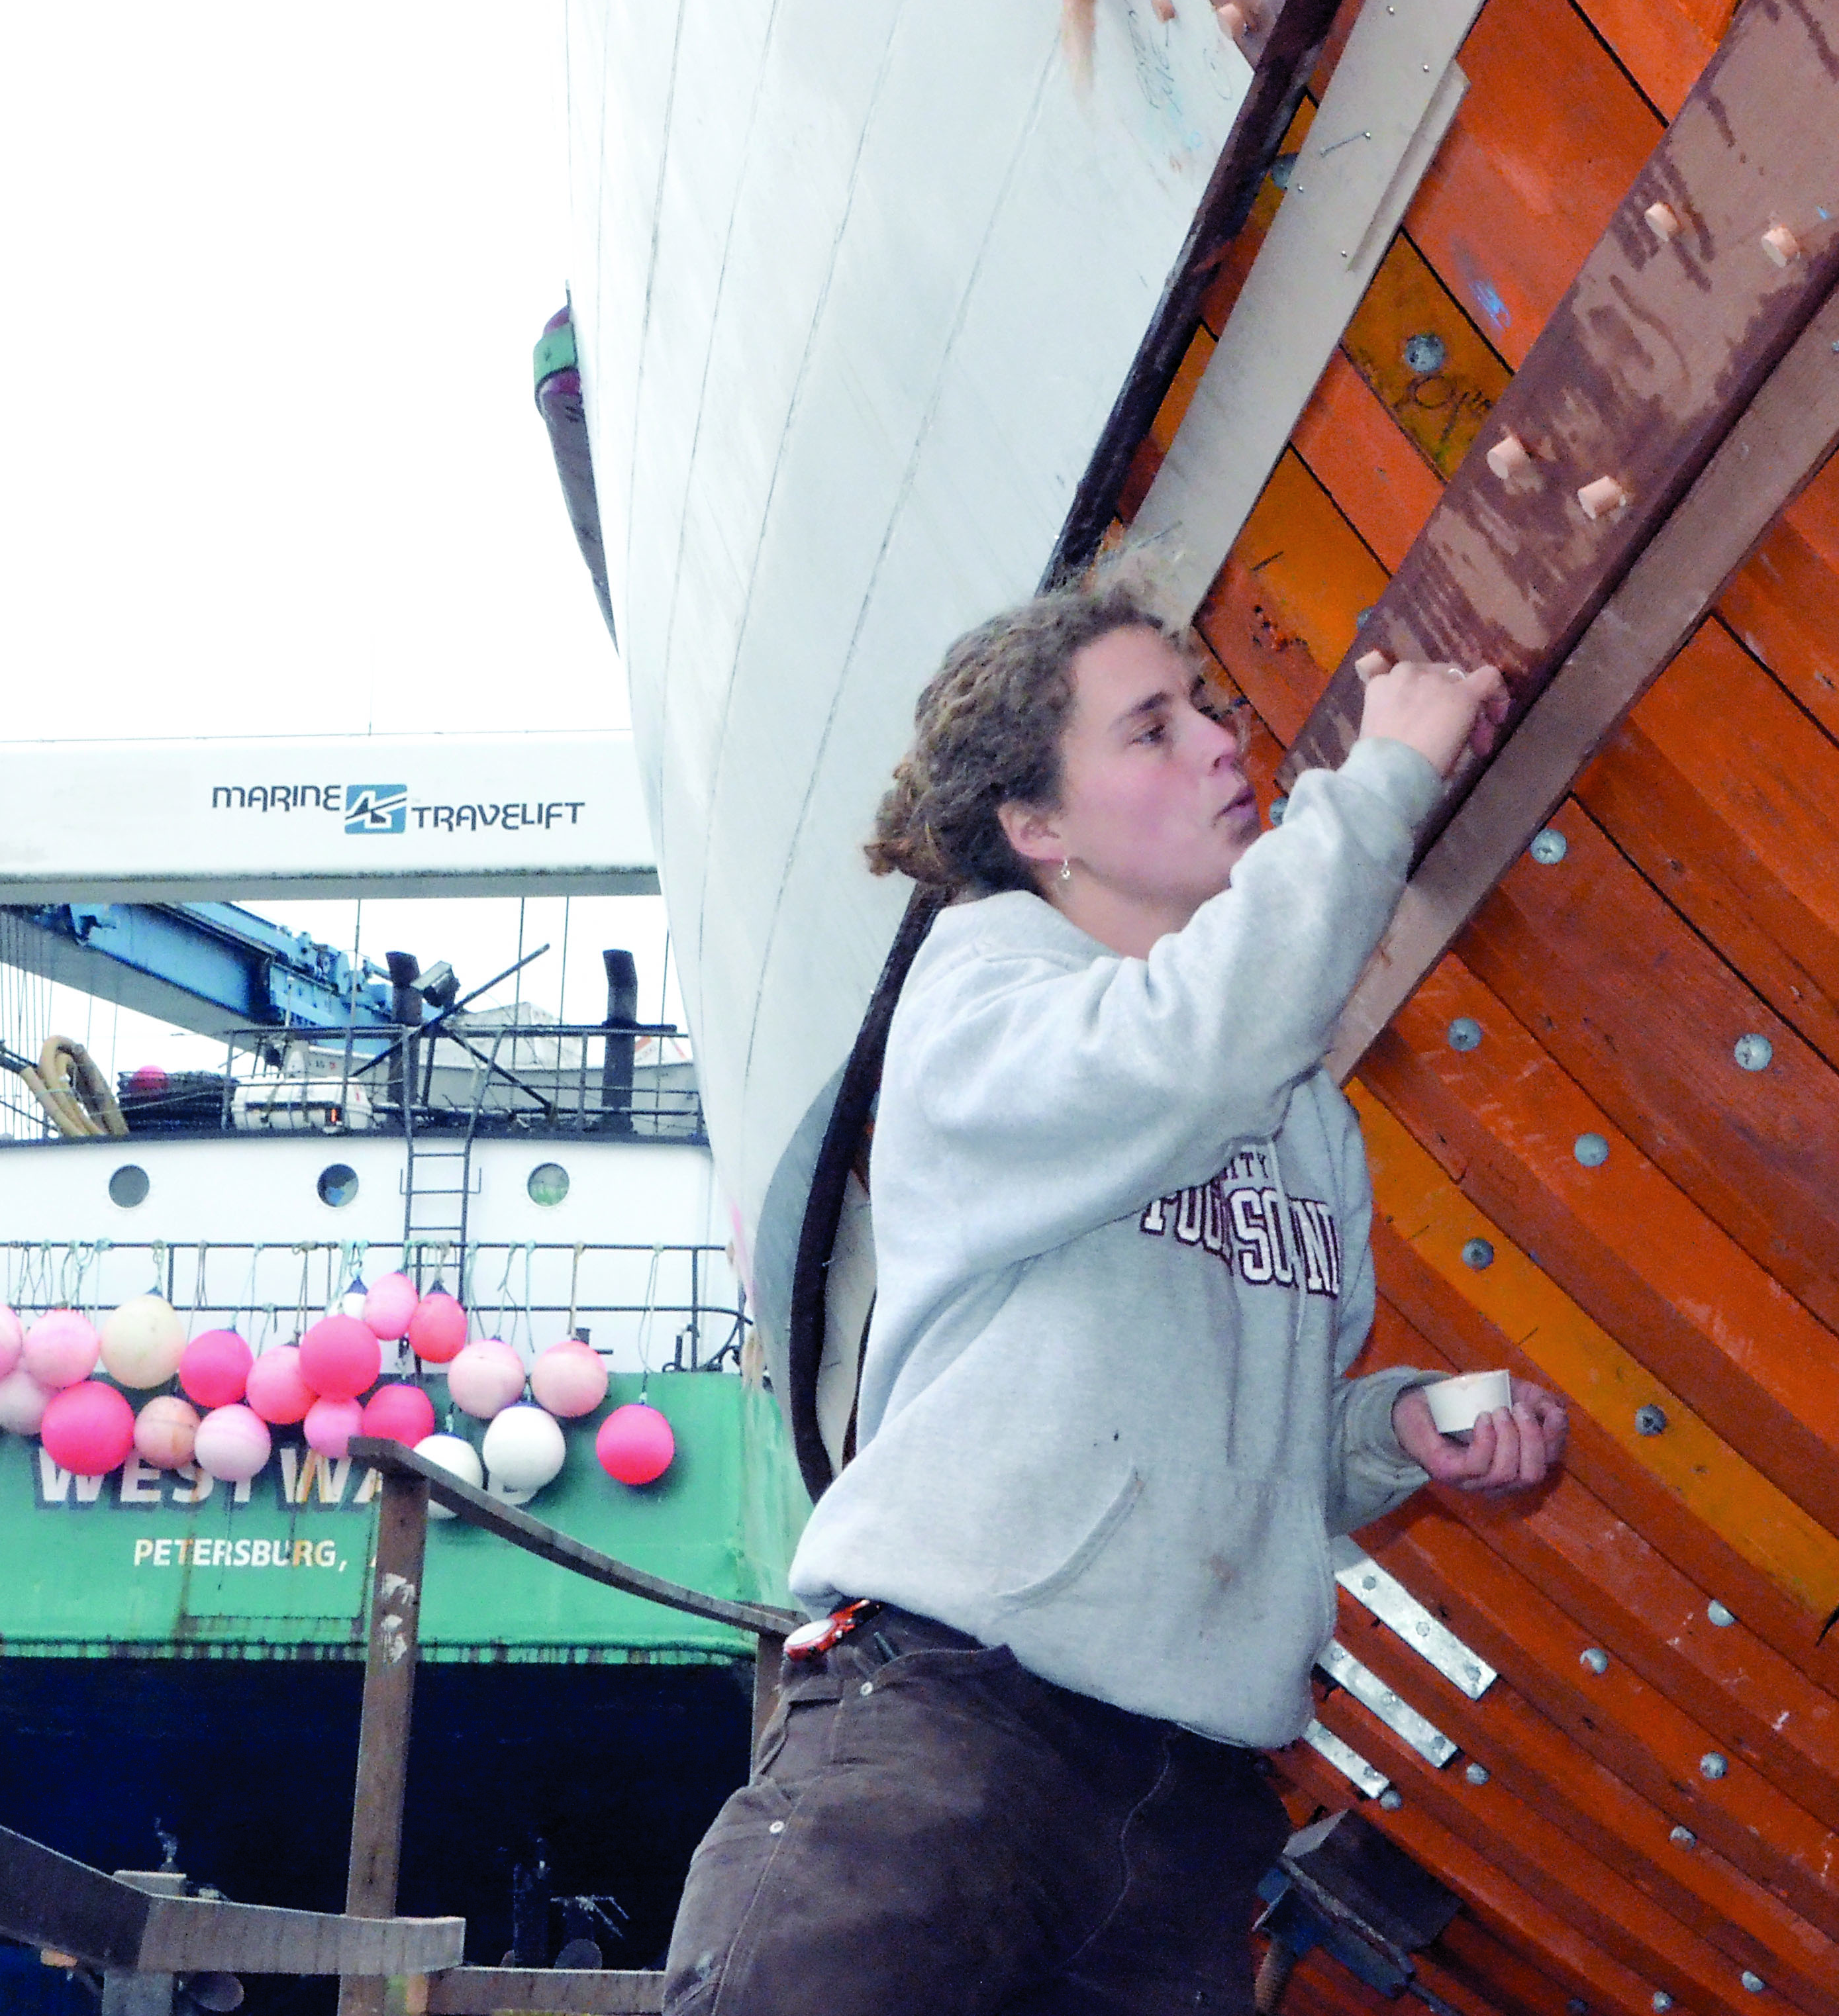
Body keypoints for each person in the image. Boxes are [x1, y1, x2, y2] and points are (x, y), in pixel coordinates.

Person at [662, 584, 1571, 2014]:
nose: (1222, 745)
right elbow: (1185, 1051)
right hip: (954, 1739)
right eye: (1153, 728)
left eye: (1205, 708)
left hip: (1190, 1811)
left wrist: (1398, 1434)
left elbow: (1252, 1467)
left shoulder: (1302, 1119)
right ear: (1039, 829)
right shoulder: (984, 1002)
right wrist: (1378, 781)